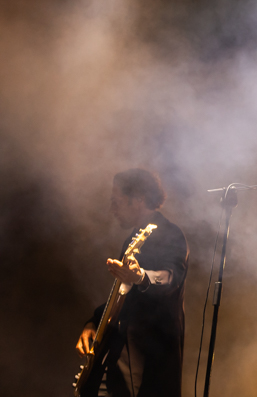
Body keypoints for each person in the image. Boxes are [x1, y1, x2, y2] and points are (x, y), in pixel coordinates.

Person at [75, 168, 189, 397]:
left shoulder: (170, 234)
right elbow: (121, 296)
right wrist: (93, 323)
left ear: (138, 199)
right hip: (118, 362)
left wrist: (141, 276)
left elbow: (171, 277)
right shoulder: (133, 237)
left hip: (149, 366)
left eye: (116, 202)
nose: (112, 210)